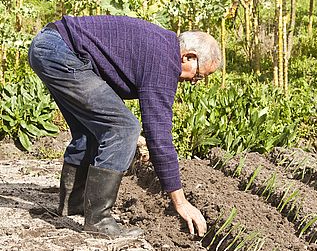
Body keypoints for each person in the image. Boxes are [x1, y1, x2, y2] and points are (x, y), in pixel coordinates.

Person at [28, 15, 222, 238]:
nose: (194, 82)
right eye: (198, 76)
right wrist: (180, 201)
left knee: (90, 129)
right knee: (124, 128)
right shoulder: (165, 61)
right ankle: (98, 220)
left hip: (50, 45)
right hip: (60, 52)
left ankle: (73, 204)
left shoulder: (161, 45)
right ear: (188, 57)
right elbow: (158, 135)